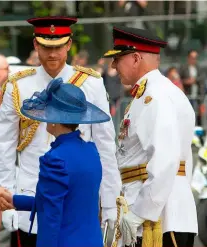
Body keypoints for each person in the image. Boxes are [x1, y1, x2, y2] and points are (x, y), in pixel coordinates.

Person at [0, 16, 121, 247]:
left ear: (69, 44)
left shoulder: (90, 83)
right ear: (35, 45)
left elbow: (104, 146)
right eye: (46, 47)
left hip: (77, 204)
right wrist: (6, 197)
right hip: (29, 198)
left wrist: (110, 201)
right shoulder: (18, 84)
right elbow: (4, 146)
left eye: (59, 47)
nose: (53, 54)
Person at [103, 26, 198, 247]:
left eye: (118, 59)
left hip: (158, 221)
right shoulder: (152, 94)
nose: (114, 66)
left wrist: (140, 212)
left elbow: (167, 160)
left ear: (136, 58)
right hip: (160, 214)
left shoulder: (155, 97)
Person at [0, 78, 111, 247]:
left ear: (55, 119)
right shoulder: (91, 151)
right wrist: (15, 201)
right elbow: (68, 202)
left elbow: (50, 217)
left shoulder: (55, 159)